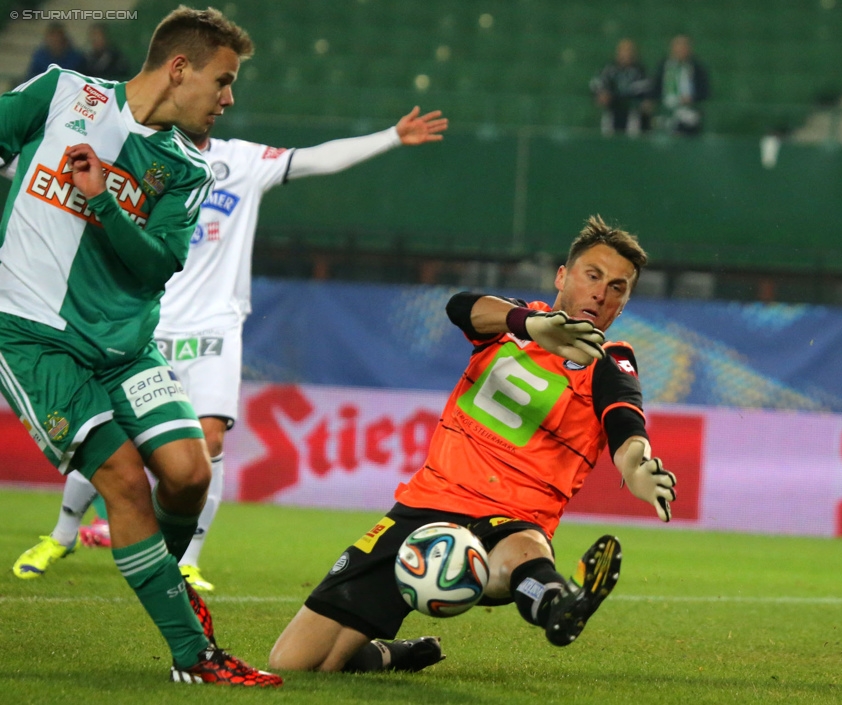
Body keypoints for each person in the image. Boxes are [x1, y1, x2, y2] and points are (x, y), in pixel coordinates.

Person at [13, 106, 450, 594]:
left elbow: (315, 159)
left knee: (210, 440)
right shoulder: (139, 158)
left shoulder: (242, 162)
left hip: (215, 328)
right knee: (112, 435)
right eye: (216, 84)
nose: (221, 99)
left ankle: (188, 560)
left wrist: (390, 135)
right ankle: (62, 534)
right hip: (147, 321)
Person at [0, 5, 283, 687]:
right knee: (124, 478)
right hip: (34, 336)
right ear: (179, 68)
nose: (229, 98)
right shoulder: (62, 93)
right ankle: (194, 651)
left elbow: (155, 262)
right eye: (222, 80)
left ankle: (164, 581)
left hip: (125, 347)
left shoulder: (186, 169)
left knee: (189, 473)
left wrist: (102, 200)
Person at [268, 216, 678, 673]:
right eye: (593, 276)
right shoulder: (511, 322)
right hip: (425, 507)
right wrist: (532, 324)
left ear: (623, 304)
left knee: (518, 555)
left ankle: (558, 604)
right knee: (295, 663)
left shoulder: (611, 361)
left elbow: (625, 423)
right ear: (563, 276)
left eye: (618, 287)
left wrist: (636, 466)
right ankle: (392, 654)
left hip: (512, 519)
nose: (602, 294)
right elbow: (461, 306)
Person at [647, 34, 710, 136]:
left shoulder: (697, 69)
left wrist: (692, 98)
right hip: (665, 111)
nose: (681, 49)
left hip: (688, 112)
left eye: (684, 46)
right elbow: (655, 87)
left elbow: (705, 92)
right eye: (678, 46)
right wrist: (650, 100)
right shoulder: (664, 66)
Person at [590, 38, 653, 137]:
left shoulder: (640, 71)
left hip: (632, 112)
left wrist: (616, 94)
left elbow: (641, 88)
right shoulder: (609, 69)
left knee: (631, 139)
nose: (625, 54)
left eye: (628, 51)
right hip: (611, 111)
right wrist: (601, 93)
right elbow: (596, 83)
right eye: (622, 51)